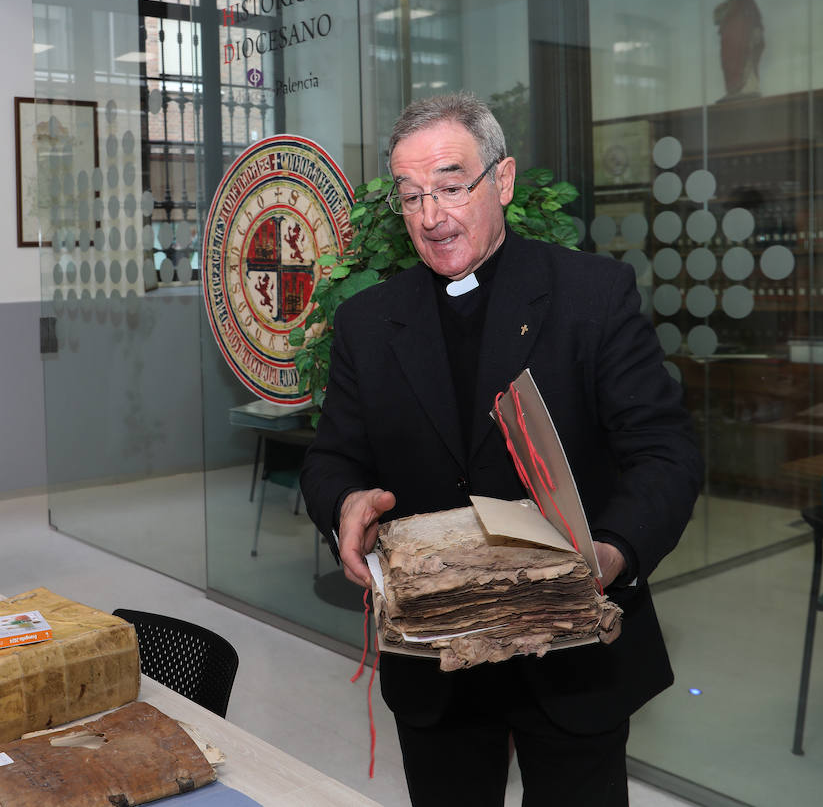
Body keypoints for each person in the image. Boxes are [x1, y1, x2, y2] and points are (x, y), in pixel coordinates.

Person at [300, 93, 701, 807]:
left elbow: (665, 451)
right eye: (411, 196)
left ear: (504, 180)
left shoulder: (591, 296)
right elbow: (331, 458)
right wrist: (346, 503)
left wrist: (611, 551)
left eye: (451, 186)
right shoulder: (368, 322)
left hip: (571, 647)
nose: (430, 216)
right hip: (435, 653)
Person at [714, 0, 764, 100]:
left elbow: (754, 13)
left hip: (742, 32)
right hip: (728, 35)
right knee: (728, 61)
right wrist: (721, 11)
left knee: (743, 56)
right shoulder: (728, 1)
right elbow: (719, 18)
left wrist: (757, 28)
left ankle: (747, 88)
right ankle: (732, 90)